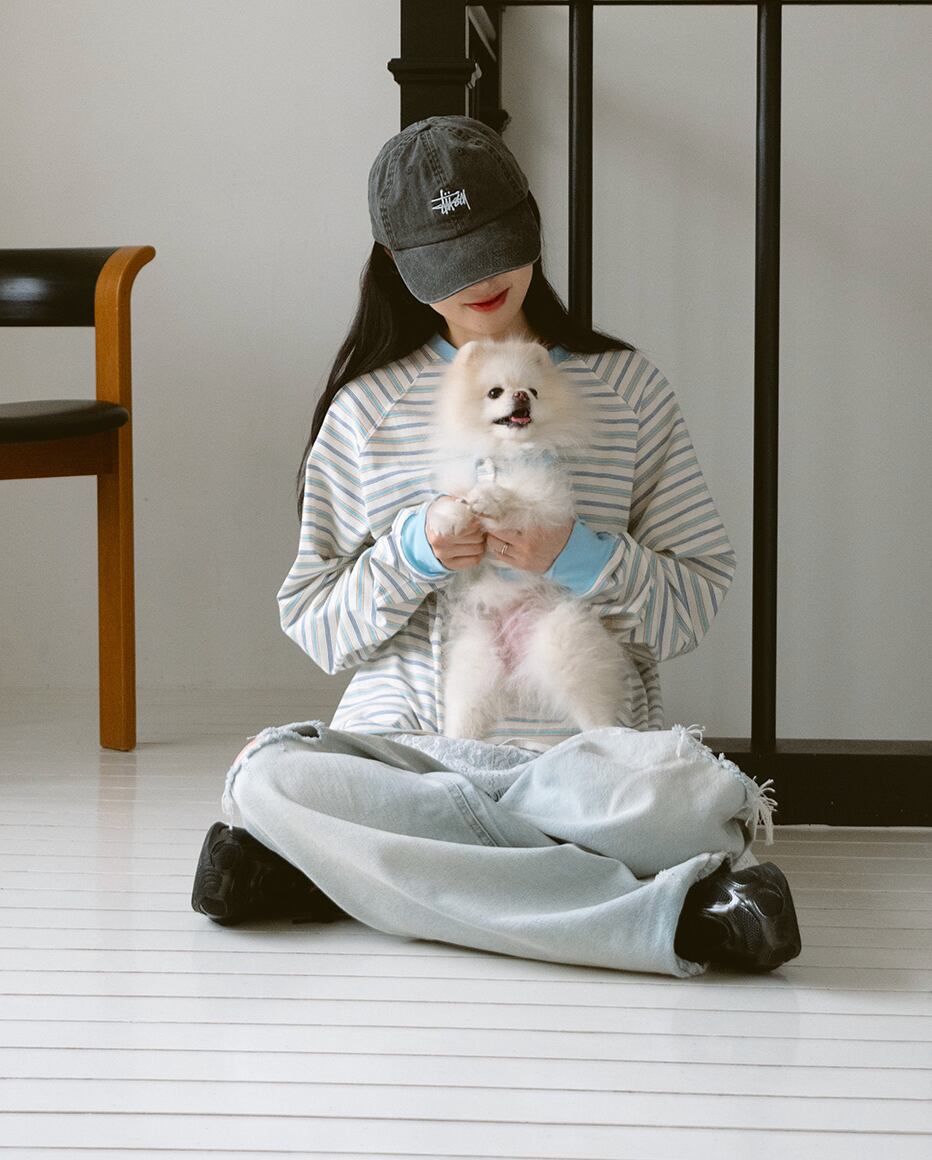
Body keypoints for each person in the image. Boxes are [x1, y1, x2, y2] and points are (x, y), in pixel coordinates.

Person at [191, 114, 801, 978]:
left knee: (695, 804)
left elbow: (692, 602)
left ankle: (339, 873)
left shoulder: (629, 391)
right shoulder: (366, 411)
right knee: (270, 777)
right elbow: (317, 623)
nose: (480, 278)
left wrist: (575, 555)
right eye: (449, 261)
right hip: (411, 754)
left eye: (493, 247)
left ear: (531, 227)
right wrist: (413, 552)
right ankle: (677, 919)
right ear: (399, 265)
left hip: (581, 768)